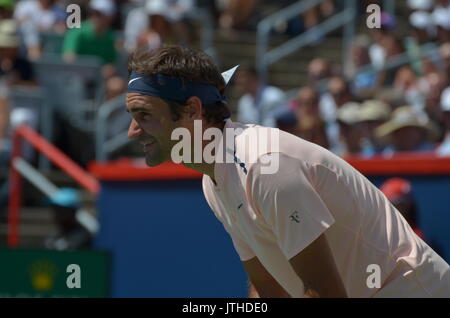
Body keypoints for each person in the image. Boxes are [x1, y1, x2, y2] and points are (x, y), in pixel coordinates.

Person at [125, 45, 450, 297]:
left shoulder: (264, 166)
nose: (133, 131)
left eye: (144, 115)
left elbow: (325, 293)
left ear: (193, 110)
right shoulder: (213, 180)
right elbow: (270, 288)